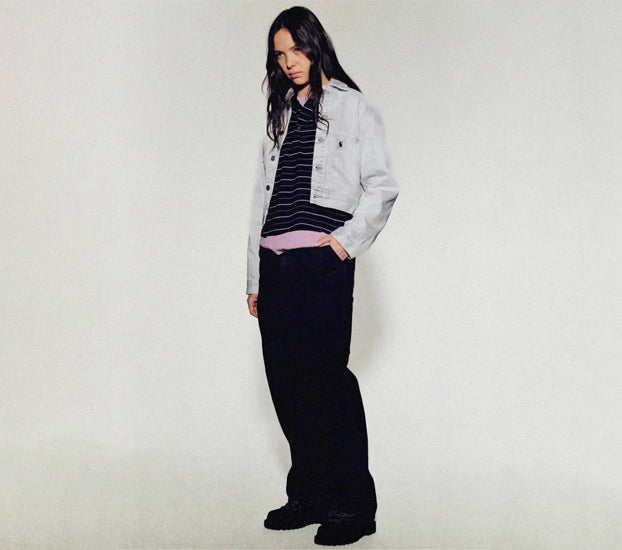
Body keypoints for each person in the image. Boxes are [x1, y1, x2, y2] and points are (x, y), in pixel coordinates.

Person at [246, 6, 398, 546]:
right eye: (279, 54)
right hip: (275, 266)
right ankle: (309, 495)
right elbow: (261, 202)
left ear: (315, 46)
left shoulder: (355, 109)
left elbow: (382, 187)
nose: (288, 62)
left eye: (296, 49)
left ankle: (353, 506)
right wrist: (254, 277)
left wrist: (340, 244)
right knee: (286, 386)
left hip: (319, 265)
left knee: (328, 383)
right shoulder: (280, 117)